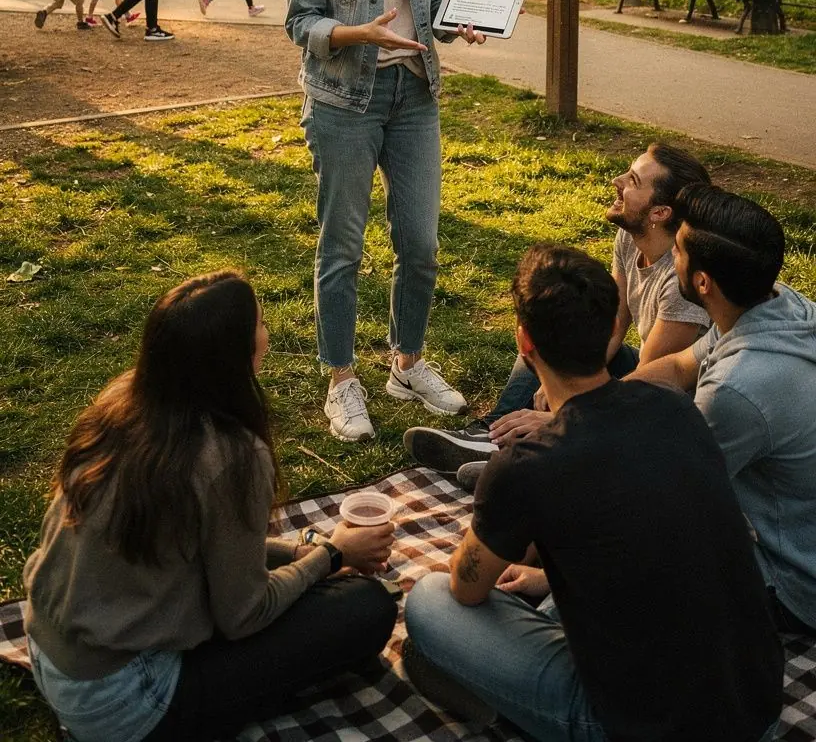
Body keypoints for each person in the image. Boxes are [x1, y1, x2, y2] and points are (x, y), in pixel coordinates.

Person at [403, 244, 783, 742]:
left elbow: (465, 588)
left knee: (428, 602)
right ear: (610, 331)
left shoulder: (525, 466)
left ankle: (505, 712)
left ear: (524, 341)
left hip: (639, 726)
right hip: (758, 704)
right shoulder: (676, 410)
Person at [23, 271, 398, 742]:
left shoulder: (123, 401)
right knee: (365, 609)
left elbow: (201, 544)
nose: (269, 333)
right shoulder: (230, 454)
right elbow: (244, 615)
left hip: (54, 653)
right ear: (237, 355)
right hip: (125, 702)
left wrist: (297, 551)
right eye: (260, 324)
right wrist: (331, 557)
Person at [284, 0, 486, 443]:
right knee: (342, 247)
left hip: (414, 96)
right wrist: (354, 33)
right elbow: (300, 22)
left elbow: (441, 4)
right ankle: (342, 381)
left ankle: (407, 363)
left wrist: (461, 24)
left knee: (420, 244)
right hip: (345, 101)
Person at [404, 142, 711, 482]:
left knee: (572, 397)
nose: (617, 181)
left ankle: (528, 453)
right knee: (548, 337)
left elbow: (649, 385)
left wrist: (567, 413)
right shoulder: (632, 236)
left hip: (670, 407)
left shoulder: (681, 281)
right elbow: (613, 321)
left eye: (634, 181)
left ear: (659, 213)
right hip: (641, 373)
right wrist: (558, 375)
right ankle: (493, 436)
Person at [631, 182, 816, 635]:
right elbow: (677, 368)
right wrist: (588, 407)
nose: (669, 256)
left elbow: (667, 499)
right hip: (797, 526)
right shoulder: (776, 305)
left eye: (675, 250)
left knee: (630, 526)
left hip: (792, 586)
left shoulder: (738, 388)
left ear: (702, 282)